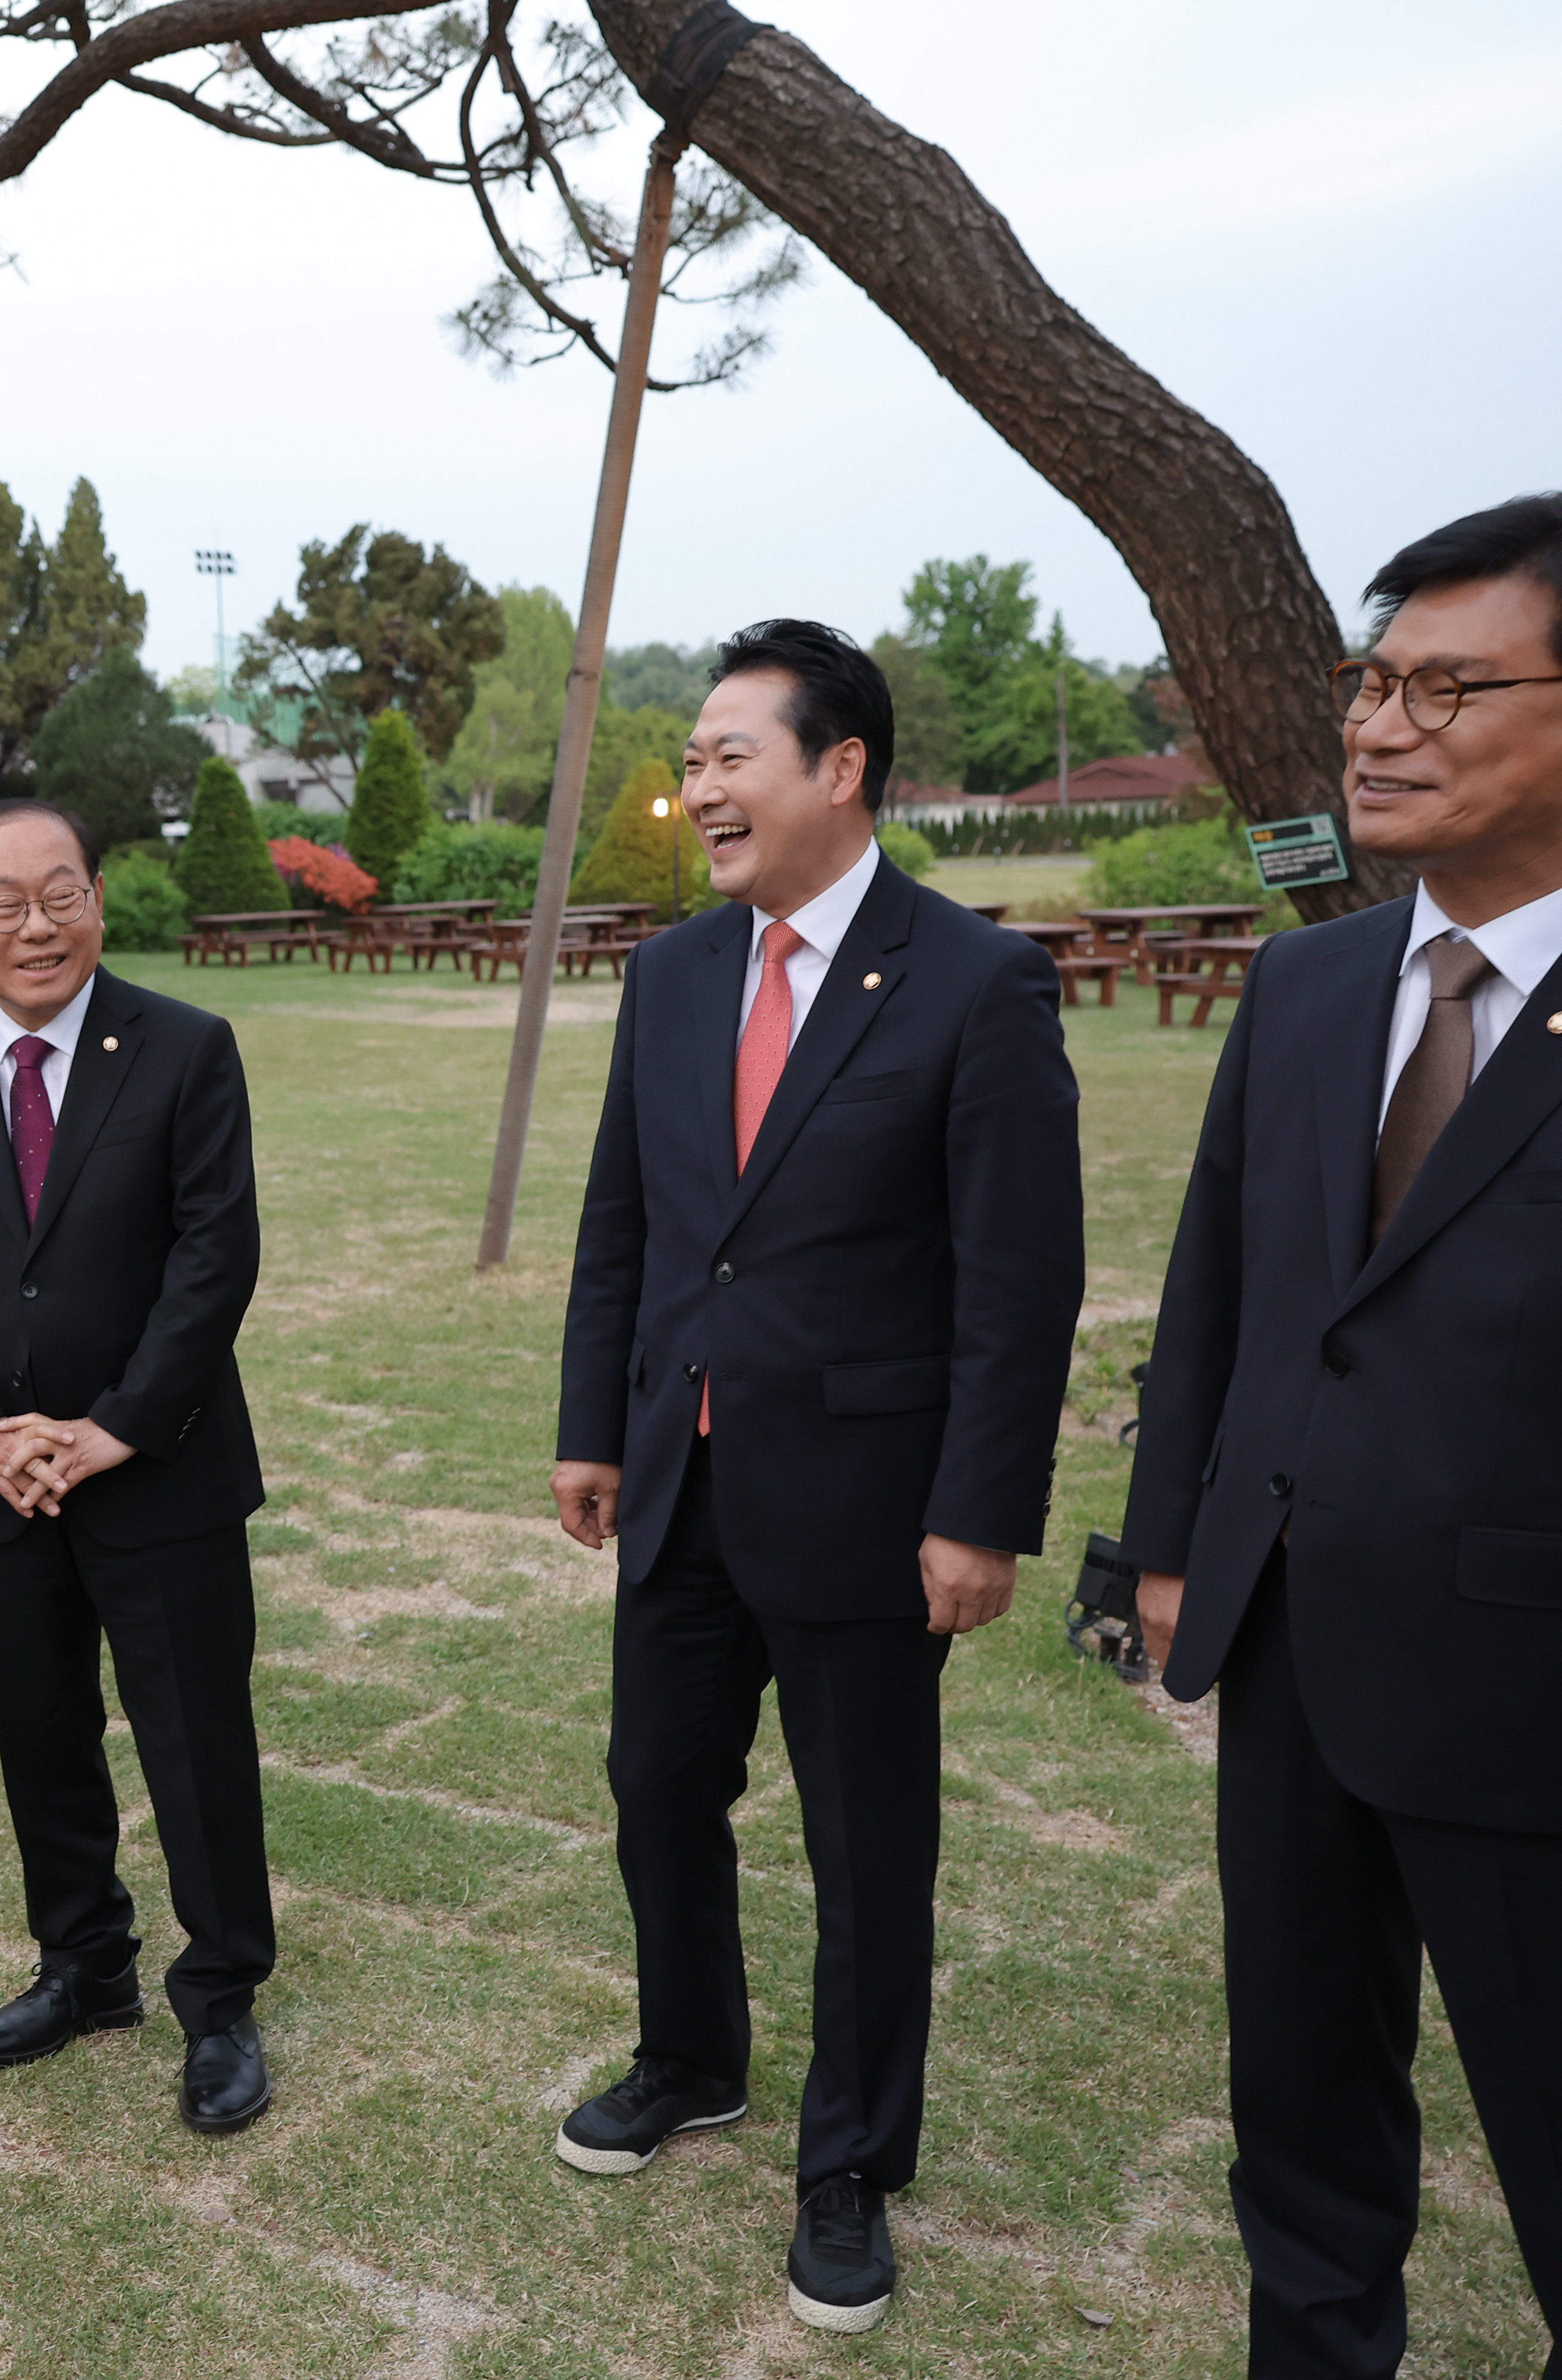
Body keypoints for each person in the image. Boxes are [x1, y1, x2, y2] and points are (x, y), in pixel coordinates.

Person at [549, 619, 1082, 2336]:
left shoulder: (975, 980)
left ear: (840, 768)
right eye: (692, 759)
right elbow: (626, 1221)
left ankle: (848, 2161)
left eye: (728, 755)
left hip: (867, 1504)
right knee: (654, 1789)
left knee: (869, 1851)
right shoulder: (673, 974)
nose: (696, 785)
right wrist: (591, 1424)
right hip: (683, 1482)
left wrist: (981, 1511)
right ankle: (691, 2058)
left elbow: (1020, 1279)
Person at [1124, 495, 1562, 2378]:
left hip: (1527, 1691)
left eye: (1444, 689)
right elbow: (1216, 1282)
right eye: (1367, 682)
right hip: (1288, 1646)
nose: (1376, 727)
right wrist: (1166, 1551)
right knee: (1299, 2122)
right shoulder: (1307, 986)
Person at [0, 796, 278, 2136]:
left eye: (62, 892)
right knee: (40, 1732)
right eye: (3, 900)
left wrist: (113, 1425)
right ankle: (84, 1963)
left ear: (99, 895)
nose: (36, 922)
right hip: (3, 1480)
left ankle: (219, 1998)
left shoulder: (183, 1047)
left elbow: (217, 1254)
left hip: (157, 1468)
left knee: (194, 1740)